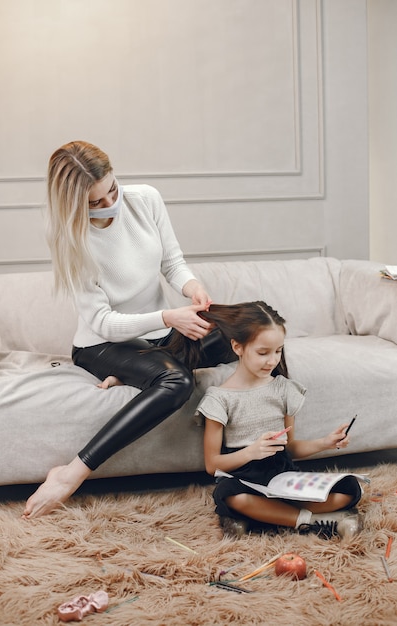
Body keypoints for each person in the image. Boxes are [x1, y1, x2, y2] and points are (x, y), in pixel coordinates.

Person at [22, 140, 235, 519]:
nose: (110, 205)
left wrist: (191, 287)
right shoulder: (70, 240)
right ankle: (71, 473)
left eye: (113, 191)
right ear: (74, 205)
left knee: (242, 332)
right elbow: (102, 322)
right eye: (95, 203)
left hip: (155, 337)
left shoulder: (146, 199)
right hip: (101, 344)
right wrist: (168, 318)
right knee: (177, 383)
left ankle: (137, 373)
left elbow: (172, 262)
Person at [194, 301, 363, 539]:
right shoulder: (219, 398)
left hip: (282, 476)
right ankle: (311, 522)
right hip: (244, 478)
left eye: (278, 351)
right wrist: (252, 451)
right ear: (238, 347)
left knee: (349, 489)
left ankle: (263, 517)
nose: (272, 360)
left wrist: (325, 442)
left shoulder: (284, 389)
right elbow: (213, 465)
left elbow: (290, 447)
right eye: (263, 353)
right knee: (229, 495)